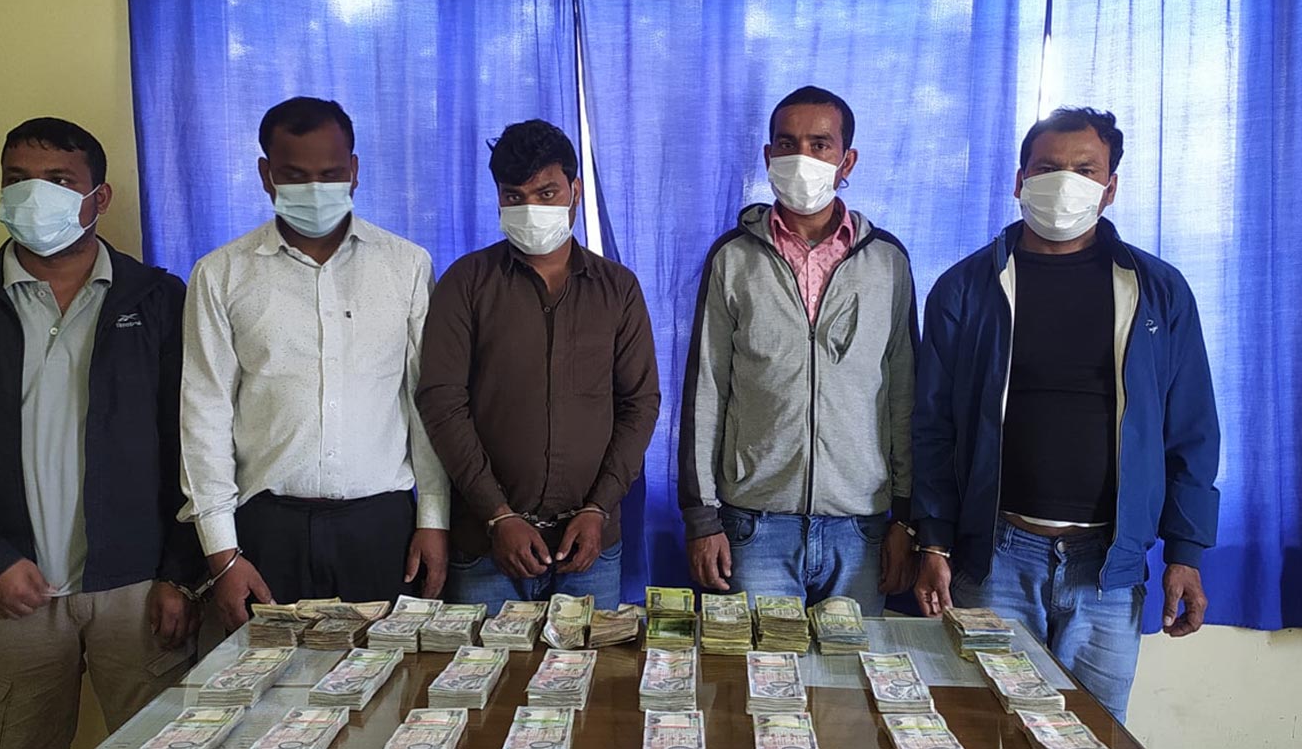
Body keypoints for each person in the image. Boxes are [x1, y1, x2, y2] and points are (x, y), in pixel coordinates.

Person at [911, 107, 1220, 722]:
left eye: (1085, 170)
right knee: (983, 729)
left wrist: (1185, 551)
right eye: (1047, 167)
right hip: (994, 556)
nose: (1064, 182)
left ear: (1111, 187)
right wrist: (934, 541)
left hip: (1108, 566)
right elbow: (933, 427)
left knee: (1092, 730)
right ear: (1019, 179)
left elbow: (1190, 429)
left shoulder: (1158, 291)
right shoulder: (966, 288)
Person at [0, 118, 201, 749]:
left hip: (137, 591)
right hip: (14, 591)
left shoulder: (157, 300)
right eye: (18, 179)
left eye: (59, 180)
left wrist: (179, 574)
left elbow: (192, 441)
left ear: (100, 196)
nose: (34, 194)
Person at [179, 97, 450, 629]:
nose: (314, 189)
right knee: (271, 679)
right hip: (266, 530)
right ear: (266, 175)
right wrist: (221, 553)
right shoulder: (220, 275)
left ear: (354, 170)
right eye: (294, 175)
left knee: (393, 676)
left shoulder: (407, 266)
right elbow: (203, 416)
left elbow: (424, 403)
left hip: (382, 527)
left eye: (329, 174)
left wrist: (434, 519)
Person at [678, 86, 919, 613]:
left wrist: (905, 518)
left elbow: (903, 394)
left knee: (852, 668)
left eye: (819, 144)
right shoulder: (733, 258)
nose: (801, 158)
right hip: (753, 525)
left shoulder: (887, 262)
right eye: (787, 144)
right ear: (768, 156)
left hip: (860, 528)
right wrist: (702, 518)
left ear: (846, 161)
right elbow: (707, 390)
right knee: (755, 667)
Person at [416, 119, 660, 613]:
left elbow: (640, 404)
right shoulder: (467, 283)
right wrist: (497, 515)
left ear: (574, 192)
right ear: (498, 199)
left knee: (588, 665)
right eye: (514, 196)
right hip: (486, 547)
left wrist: (599, 508)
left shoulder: (618, 289)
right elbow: (442, 403)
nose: (531, 209)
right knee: (481, 665)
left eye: (546, 193)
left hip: (590, 544)